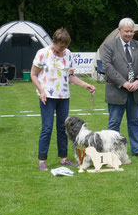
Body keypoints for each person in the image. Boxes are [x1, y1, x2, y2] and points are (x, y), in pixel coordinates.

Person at [31, 28, 96, 171]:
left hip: (64, 97)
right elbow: (33, 75)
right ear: (54, 42)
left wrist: (86, 85)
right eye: (61, 46)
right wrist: (41, 91)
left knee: (63, 128)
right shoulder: (42, 54)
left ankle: (64, 158)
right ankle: (42, 160)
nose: (63, 49)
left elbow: (71, 76)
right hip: (47, 97)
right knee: (47, 128)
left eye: (65, 46)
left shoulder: (69, 55)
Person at [102, 18, 138, 158]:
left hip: (135, 92)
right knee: (114, 123)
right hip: (116, 91)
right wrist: (123, 83)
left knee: (134, 121)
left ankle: (137, 149)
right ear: (119, 30)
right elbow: (107, 67)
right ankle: (110, 151)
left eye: (131, 31)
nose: (129, 34)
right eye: (126, 31)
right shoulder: (109, 46)